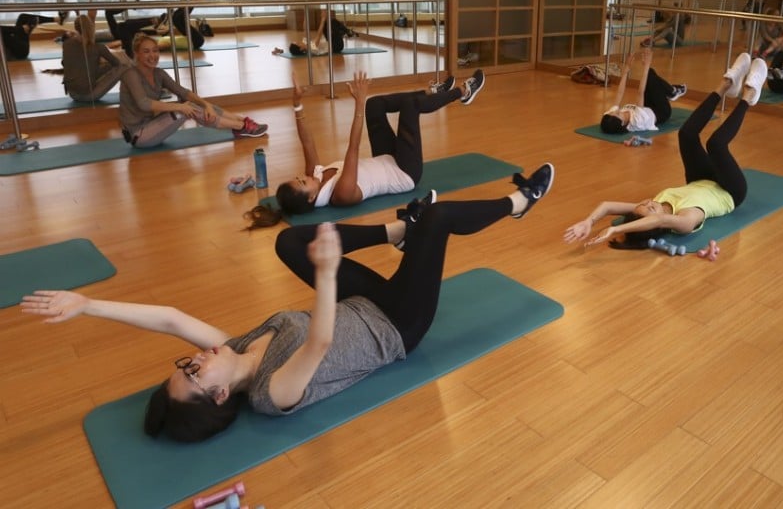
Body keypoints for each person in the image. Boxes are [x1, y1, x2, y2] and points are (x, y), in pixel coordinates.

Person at [19, 163, 555, 442]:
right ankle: (519, 202)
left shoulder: (234, 351)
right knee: (439, 221)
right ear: (222, 393)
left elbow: (169, 318)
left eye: (186, 363)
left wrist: (89, 304)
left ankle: (397, 228)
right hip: (394, 325)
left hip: (357, 301)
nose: (195, 357)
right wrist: (325, 274)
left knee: (286, 239)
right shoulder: (272, 394)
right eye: (195, 372)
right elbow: (319, 341)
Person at [565, 52, 767, 249]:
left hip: (701, 179)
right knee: (716, 145)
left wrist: (589, 222)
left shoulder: (652, 206)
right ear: (656, 224)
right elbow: (657, 221)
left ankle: (726, 85)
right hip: (731, 191)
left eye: (643, 204)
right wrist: (616, 231)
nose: (648, 202)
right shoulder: (684, 221)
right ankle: (749, 96)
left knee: (686, 134)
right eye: (649, 208)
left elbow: (608, 205)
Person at [271, 68, 485, 216]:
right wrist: (358, 103)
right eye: (301, 182)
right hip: (404, 172)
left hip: (386, 158)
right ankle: (464, 92)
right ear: (311, 199)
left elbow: (307, 142)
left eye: (297, 178)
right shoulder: (341, 194)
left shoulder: (314, 178)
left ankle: (432, 93)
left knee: (374, 105)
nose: (302, 176)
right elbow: (353, 149)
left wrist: (297, 103)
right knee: (410, 106)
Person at [118, 33, 268, 147]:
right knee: (184, 109)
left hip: (152, 124)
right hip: (138, 135)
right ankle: (241, 127)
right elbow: (143, 103)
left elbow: (184, 92)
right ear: (136, 54)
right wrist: (180, 106)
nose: (152, 56)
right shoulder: (131, 74)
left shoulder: (158, 73)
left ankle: (240, 120)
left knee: (189, 102)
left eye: (155, 50)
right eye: (146, 52)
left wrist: (206, 105)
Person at [599, 48, 685, 135]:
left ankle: (671, 91)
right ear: (622, 123)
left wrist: (626, 69)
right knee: (649, 75)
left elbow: (619, 93)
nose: (616, 111)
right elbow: (640, 93)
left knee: (650, 73)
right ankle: (672, 92)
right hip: (661, 111)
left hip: (647, 107)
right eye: (617, 114)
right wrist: (646, 65)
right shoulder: (637, 121)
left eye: (613, 112)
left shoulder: (611, 116)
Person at [60, 14, 133, 102]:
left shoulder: (67, 43)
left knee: (107, 66)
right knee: (124, 67)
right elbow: (117, 64)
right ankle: (134, 93)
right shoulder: (98, 47)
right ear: (91, 27)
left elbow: (64, 63)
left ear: (75, 27)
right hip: (88, 96)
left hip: (72, 94)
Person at [285, 9, 356, 56]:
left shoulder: (305, 43)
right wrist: (323, 18)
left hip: (330, 41)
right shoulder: (311, 50)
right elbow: (318, 36)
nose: (298, 41)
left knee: (327, 23)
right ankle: (347, 32)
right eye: (297, 43)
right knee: (332, 22)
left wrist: (305, 15)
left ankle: (346, 32)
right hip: (336, 46)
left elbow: (305, 30)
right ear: (301, 48)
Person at [1, 11, 68, 60]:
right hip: (17, 54)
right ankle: (25, 28)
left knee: (23, 17)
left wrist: (20, 29)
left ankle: (58, 19)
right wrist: (21, 29)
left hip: (19, 46)